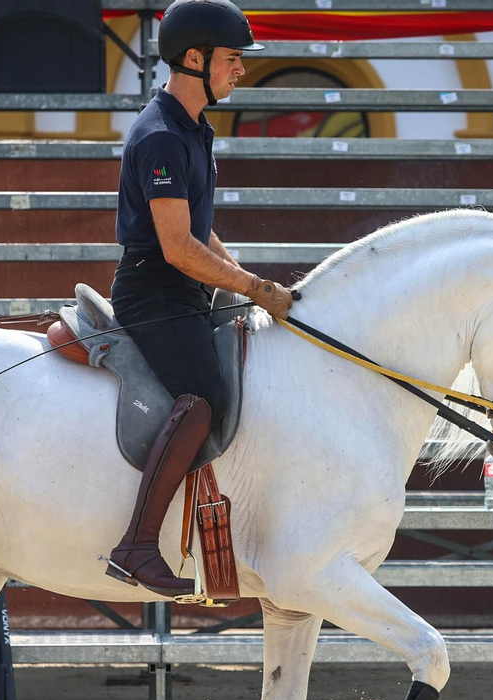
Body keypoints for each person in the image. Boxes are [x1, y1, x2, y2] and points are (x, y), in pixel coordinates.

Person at [106, 0, 292, 596]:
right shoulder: (161, 136)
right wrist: (254, 287)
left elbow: (199, 231)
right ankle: (136, 544)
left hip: (181, 285)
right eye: (233, 59)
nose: (241, 70)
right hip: (154, 292)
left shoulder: (193, 129)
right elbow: (177, 247)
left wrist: (243, 281)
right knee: (205, 397)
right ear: (195, 58)